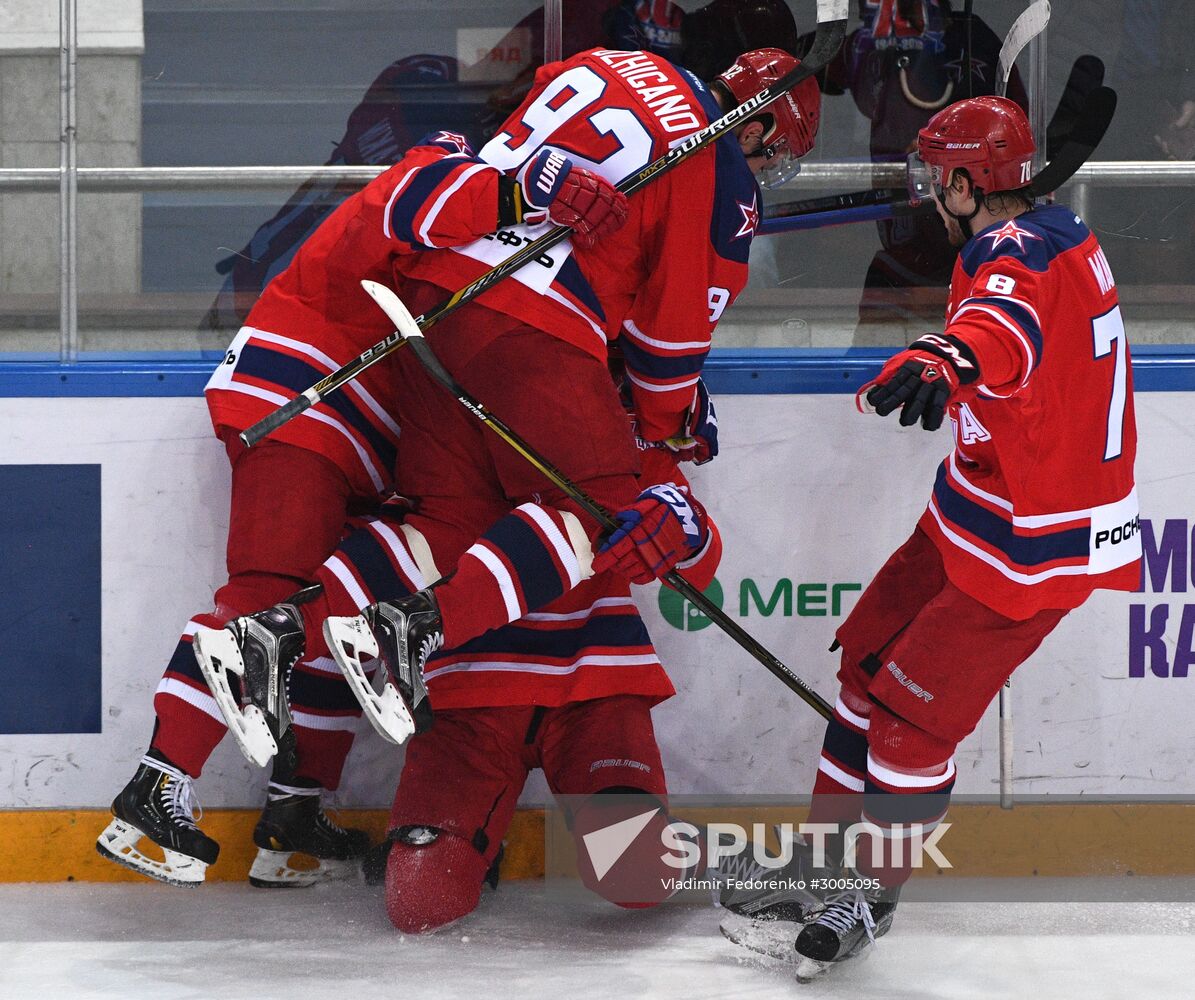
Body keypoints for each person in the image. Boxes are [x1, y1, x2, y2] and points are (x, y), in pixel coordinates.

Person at [95, 127, 633, 888]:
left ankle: (292, 811)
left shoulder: (465, 220)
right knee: (265, 600)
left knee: (318, 611)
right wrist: (523, 187)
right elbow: (428, 195)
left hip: (361, 432)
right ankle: (158, 782)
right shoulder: (430, 174)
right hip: (299, 406)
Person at [721, 95, 1141, 981]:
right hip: (977, 510)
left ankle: (867, 894)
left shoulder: (1008, 259)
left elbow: (1003, 325)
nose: (923, 191)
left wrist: (943, 358)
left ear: (963, 181)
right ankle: (820, 864)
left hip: (1034, 546)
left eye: (934, 175)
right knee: (866, 665)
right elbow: (1014, 295)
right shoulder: (1047, 229)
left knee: (909, 726)